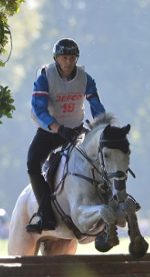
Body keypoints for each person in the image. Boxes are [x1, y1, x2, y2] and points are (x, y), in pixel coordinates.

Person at [26, 38, 106, 233]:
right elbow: (38, 109)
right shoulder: (45, 77)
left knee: (104, 157)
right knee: (32, 164)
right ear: (56, 58)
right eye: (64, 57)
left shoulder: (86, 79)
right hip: (50, 131)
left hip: (77, 130)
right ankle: (46, 215)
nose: (68, 62)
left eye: (72, 58)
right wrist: (57, 127)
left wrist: (102, 127)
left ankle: (114, 203)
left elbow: (96, 106)